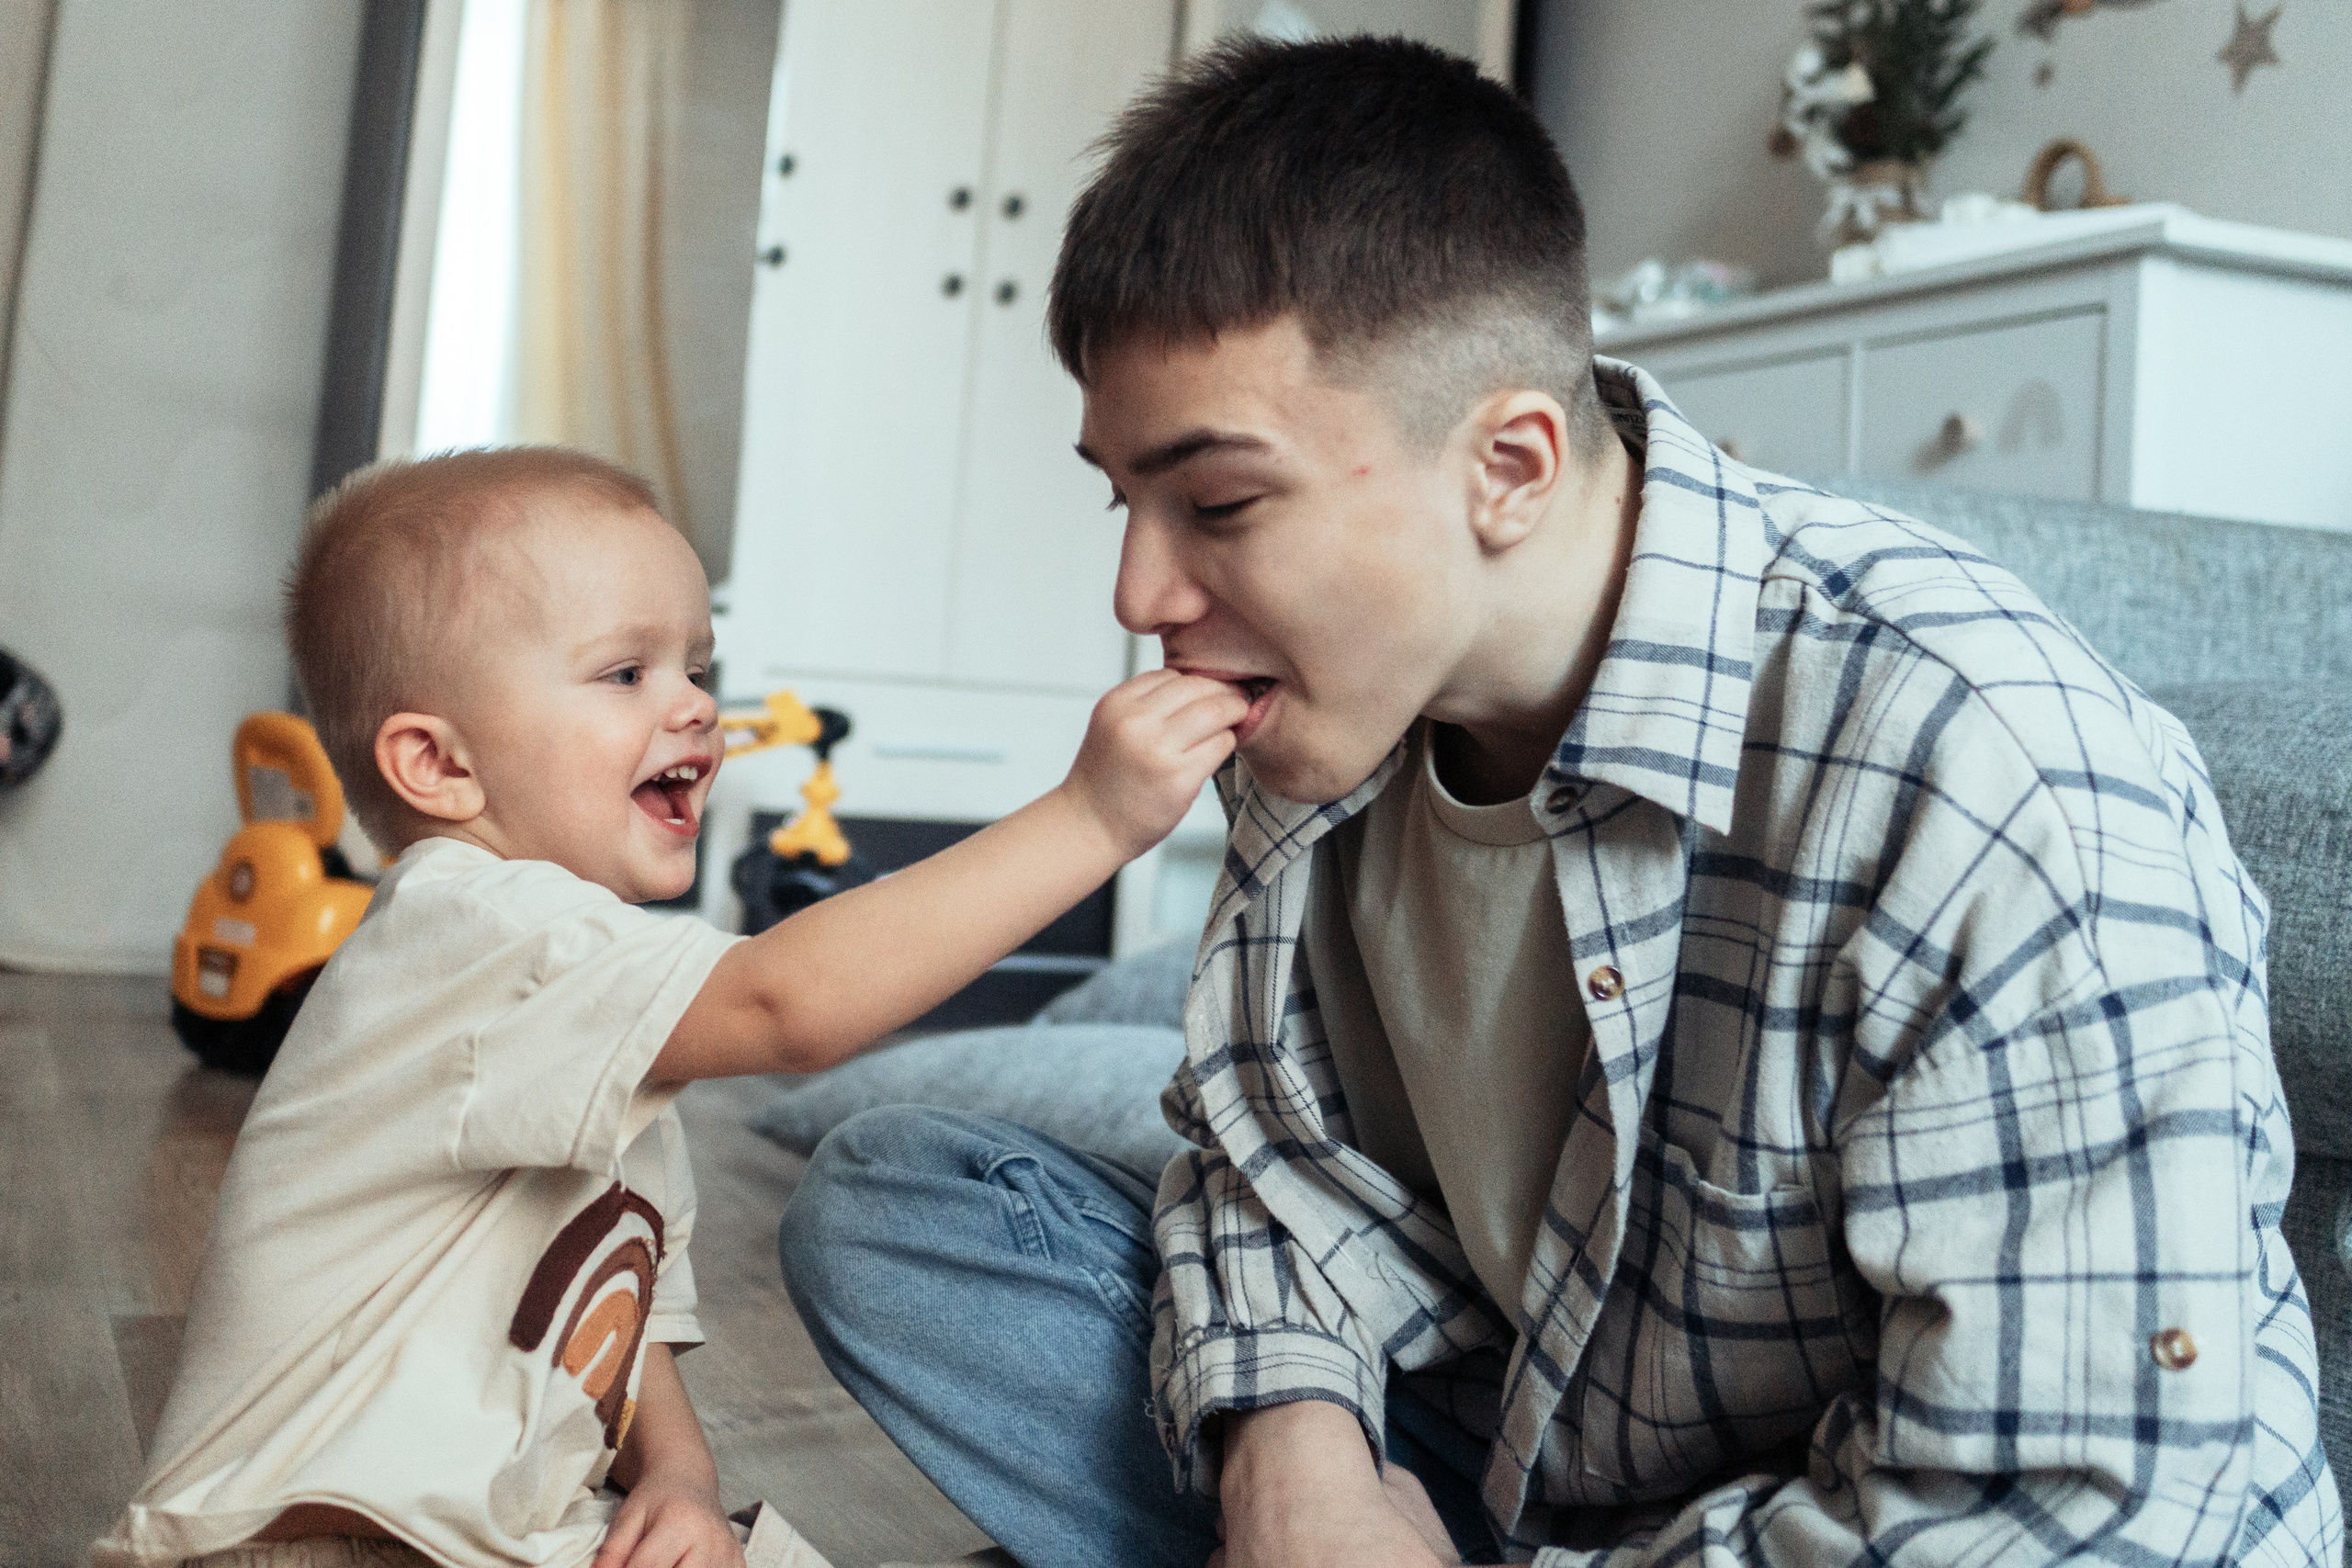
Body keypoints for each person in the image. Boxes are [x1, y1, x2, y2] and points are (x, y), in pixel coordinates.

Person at [775, 36, 2342, 1568]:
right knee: (908, 1220)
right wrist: (1292, 1456)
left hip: (1876, 1505)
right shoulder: (1337, 709)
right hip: (1522, 1440)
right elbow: (1268, 1151)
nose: (1143, 590)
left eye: (1223, 503)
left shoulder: (1983, 767)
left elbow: (2073, 1510)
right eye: (1128, 500)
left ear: (1511, 463)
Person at [93, 447, 1245, 1568]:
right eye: (625, 673)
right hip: (311, 1538)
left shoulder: (596, 1024)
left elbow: (626, 1328)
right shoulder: (475, 930)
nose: (695, 708)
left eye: (697, 665)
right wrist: (1091, 819)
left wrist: (680, 1484)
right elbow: (790, 1000)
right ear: (438, 768)